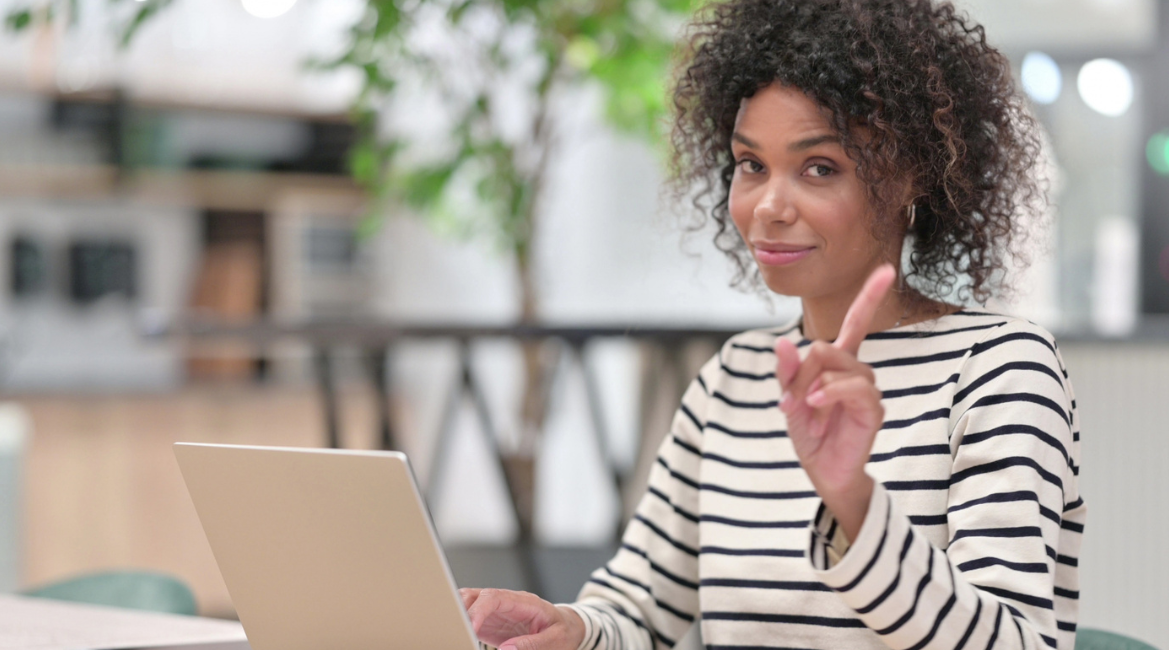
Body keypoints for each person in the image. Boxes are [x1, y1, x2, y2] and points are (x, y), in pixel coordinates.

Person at [459, 0, 1085, 648]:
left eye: (820, 168)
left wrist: (854, 504)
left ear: (911, 178)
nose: (769, 206)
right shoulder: (735, 378)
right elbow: (641, 613)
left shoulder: (998, 372)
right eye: (751, 165)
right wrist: (570, 627)